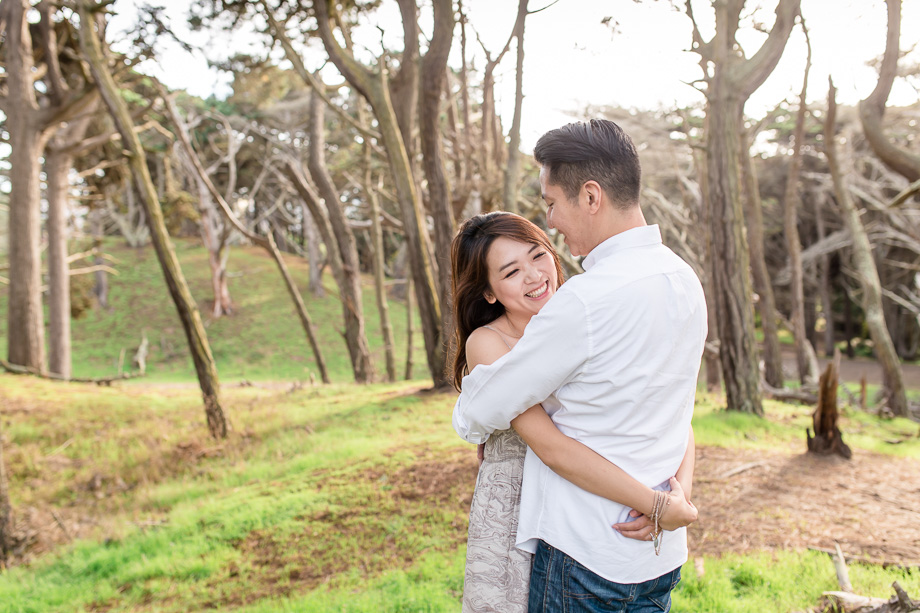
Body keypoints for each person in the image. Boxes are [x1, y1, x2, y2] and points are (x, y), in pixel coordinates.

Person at [453, 120, 708, 612]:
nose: (550, 221)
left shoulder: (586, 301)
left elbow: (480, 412)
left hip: (587, 550)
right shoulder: (683, 278)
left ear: (590, 196)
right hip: (656, 553)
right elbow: (677, 409)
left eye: (551, 203)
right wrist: (675, 504)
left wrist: (665, 507)